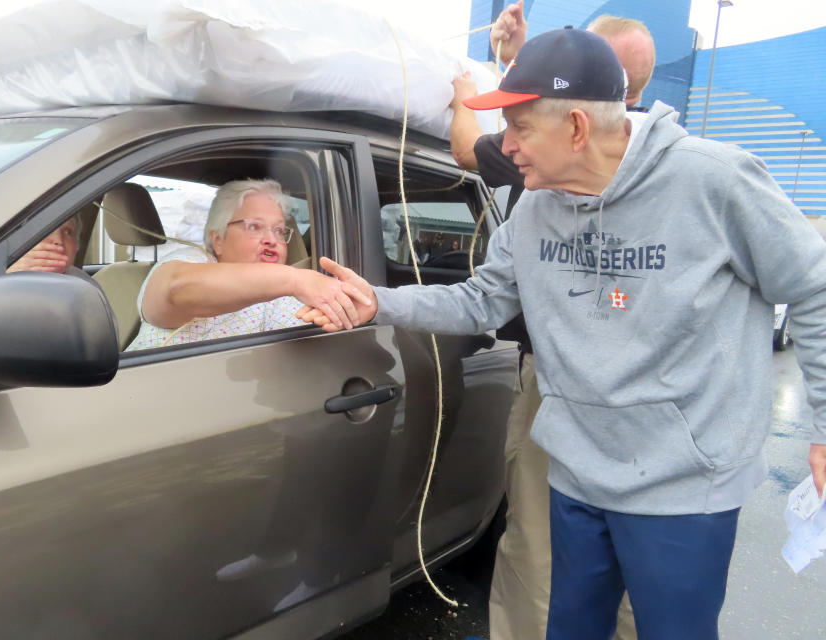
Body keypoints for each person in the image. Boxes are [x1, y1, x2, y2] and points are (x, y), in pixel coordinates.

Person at [299, 27, 826, 640]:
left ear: (577, 127)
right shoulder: (536, 207)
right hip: (577, 471)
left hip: (685, 484)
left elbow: (813, 287)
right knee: (570, 628)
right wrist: (377, 302)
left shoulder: (714, 181)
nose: (507, 146)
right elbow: (480, 300)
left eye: (520, 129)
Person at [449, 5, 656, 639]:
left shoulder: (547, 166)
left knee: (538, 545)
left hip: (556, 378)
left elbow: (467, 147)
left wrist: (464, 95)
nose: (513, 143)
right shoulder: (656, 163)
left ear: (579, 118)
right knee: (628, 558)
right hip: (645, 393)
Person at [125, 178, 367, 351]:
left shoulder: (294, 297)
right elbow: (174, 290)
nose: (272, 240)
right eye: (254, 226)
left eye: (280, 231)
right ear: (217, 239)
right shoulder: (194, 260)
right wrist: (294, 279)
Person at [6, 214, 104, 290]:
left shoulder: (88, 289)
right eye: (45, 230)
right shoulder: (1, 280)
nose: (58, 240)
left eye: (67, 232)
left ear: (77, 246)